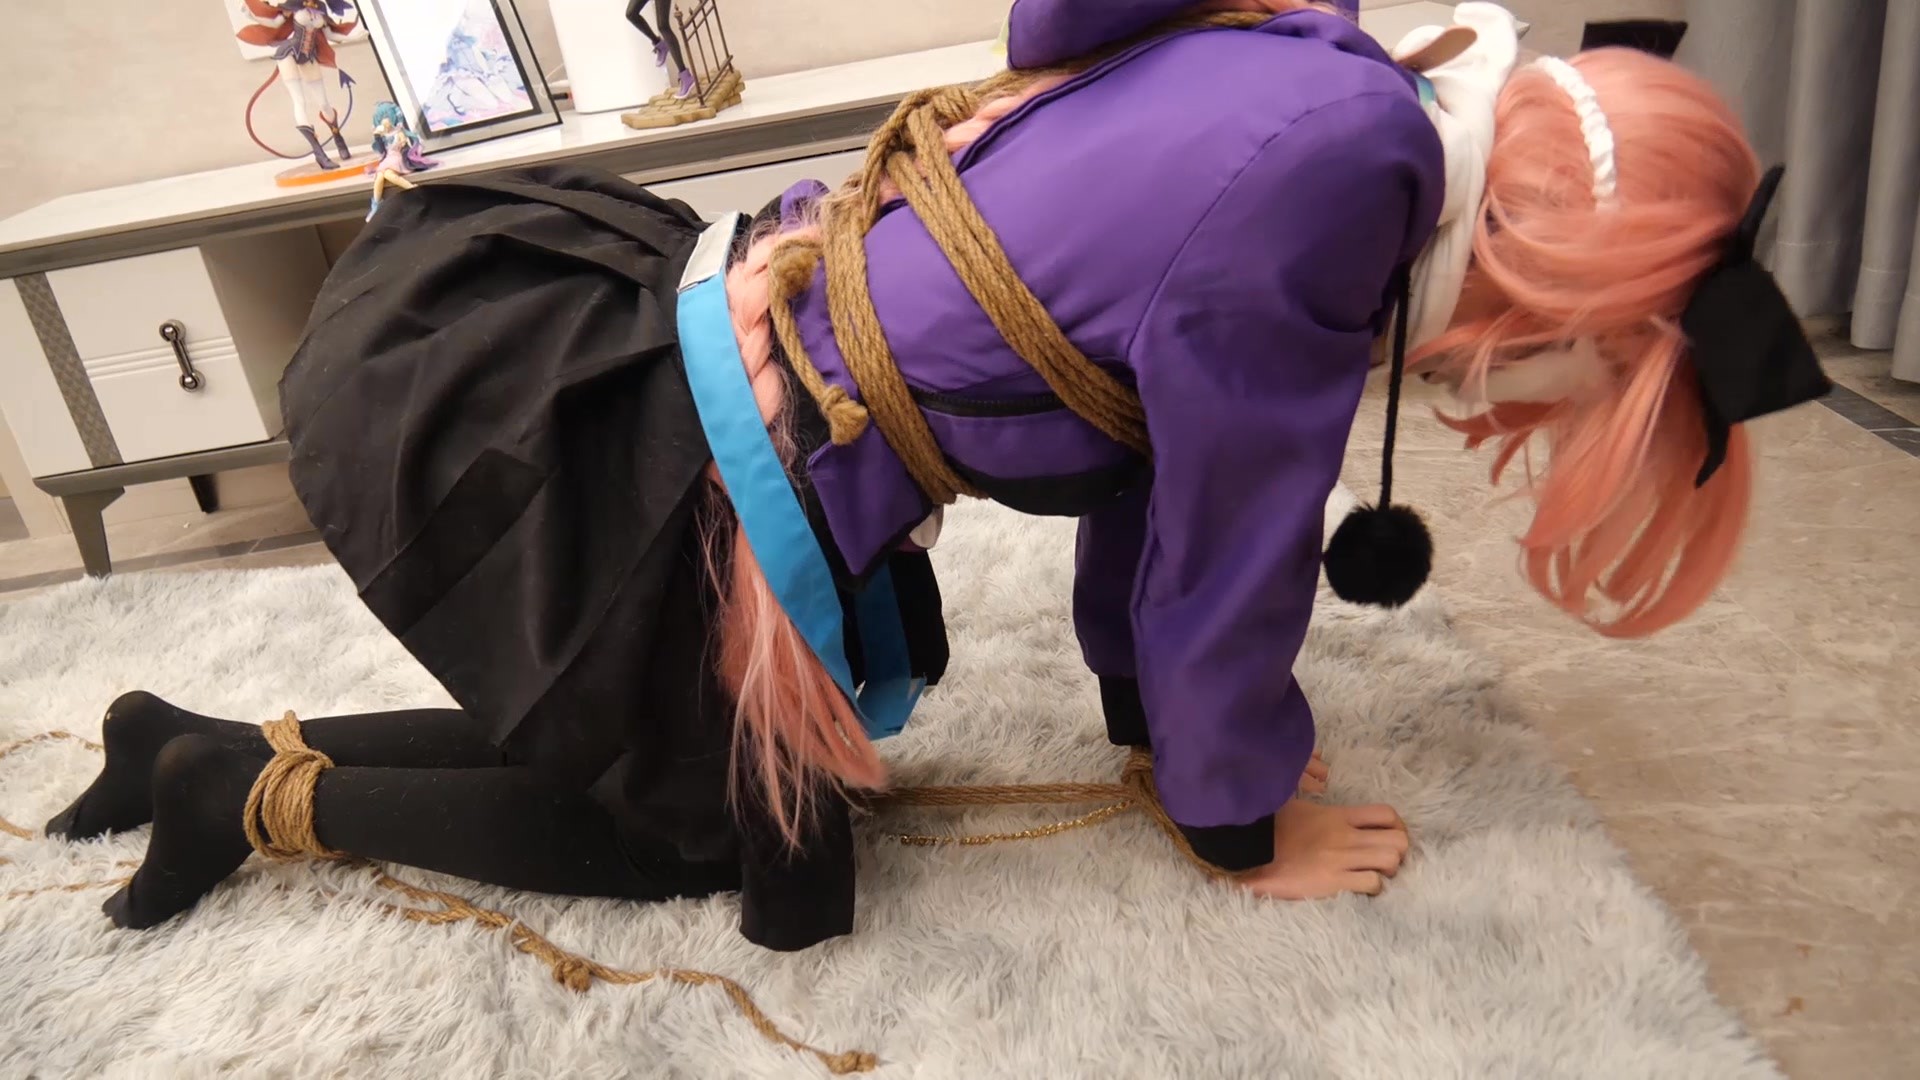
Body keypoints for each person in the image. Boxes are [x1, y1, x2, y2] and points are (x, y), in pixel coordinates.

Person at [48, 0, 1826, 952]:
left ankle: (188, 737)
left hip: (691, 335)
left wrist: (1159, 740)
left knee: (675, 758)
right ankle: (242, 797)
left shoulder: (1337, 72)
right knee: (733, 865)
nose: (1520, 390)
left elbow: (1150, 479)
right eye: (1582, 364)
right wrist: (1232, 818)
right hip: (684, 458)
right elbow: (1232, 549)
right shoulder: (1340, 195)